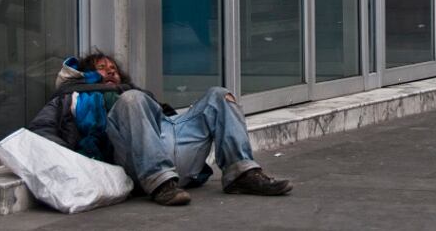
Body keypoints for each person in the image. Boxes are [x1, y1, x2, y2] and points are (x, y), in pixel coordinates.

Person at [29, 51, 292, 206]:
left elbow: (167, 121)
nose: (110, 72)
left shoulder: (137, 92)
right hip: (135, 161)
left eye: (113, 69)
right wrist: (76, 163)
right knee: (130, 100)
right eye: (101, 69)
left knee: (220, 95)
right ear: (88, 75)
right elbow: (40, 129)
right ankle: (160, 183)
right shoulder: (71, 98)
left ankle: (241, 174)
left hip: (170, 141)